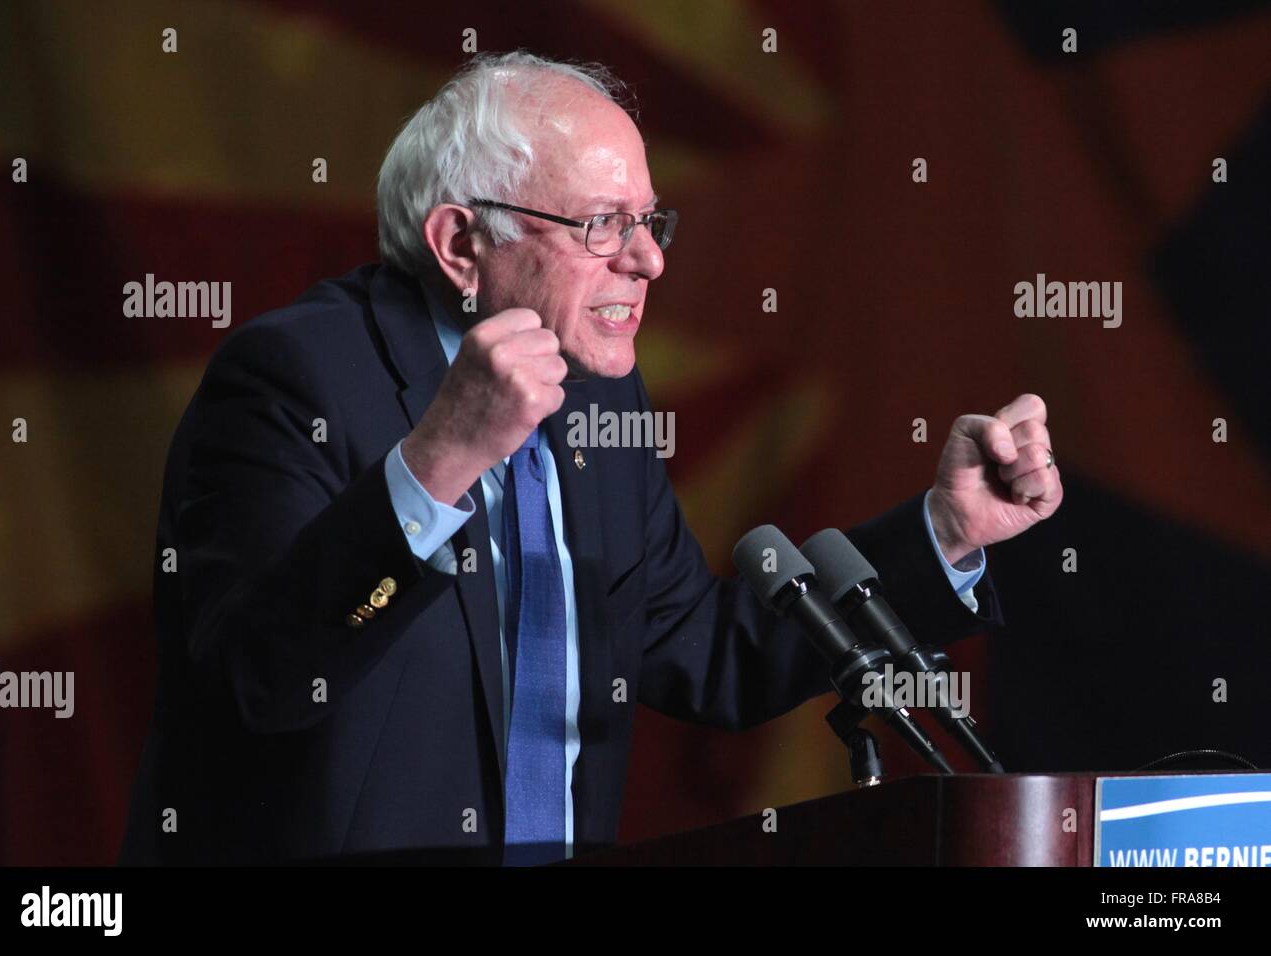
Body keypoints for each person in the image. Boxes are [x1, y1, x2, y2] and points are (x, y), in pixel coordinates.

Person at [120, 51, 1062, 865]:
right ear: (462, 245)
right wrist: (439, 461)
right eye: (603, 225)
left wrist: (945, 530)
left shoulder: (598, 395)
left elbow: (702, 653)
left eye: (652, 221)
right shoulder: (294, 378)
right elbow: (258, 680)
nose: (648, 261)